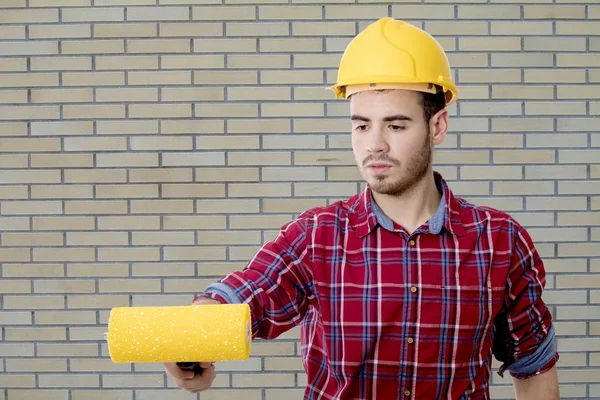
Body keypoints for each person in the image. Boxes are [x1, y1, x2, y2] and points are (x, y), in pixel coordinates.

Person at [164, 17, 560, 399]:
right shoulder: (318, 236)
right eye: (361, 125)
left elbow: (534, 366)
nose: (375, 145)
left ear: (437, 126)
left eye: (396, 125)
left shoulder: (499, 241)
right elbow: (245, 293)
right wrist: (194, 336)